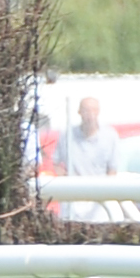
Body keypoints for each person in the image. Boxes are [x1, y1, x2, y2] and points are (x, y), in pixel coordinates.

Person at [57, 94, 122, 223]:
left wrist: (105, 192)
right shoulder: (67, 136)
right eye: (86, 110)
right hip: (73, 199)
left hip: (100, 201)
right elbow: (57, 164)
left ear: (98, 112)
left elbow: (112, 169)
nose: (90, 114)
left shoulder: (110, 136)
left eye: (93, 110)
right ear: (79, 112)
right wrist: (67, 182)